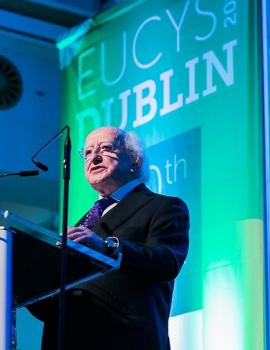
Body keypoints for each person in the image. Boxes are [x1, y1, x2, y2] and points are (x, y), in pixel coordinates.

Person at [29, 126, 190, 350]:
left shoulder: (163, 207)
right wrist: (28, 283)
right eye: (87, 153)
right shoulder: (83, 221)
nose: (93, 157)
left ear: (134, 159)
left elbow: (166, 262)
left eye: (105, 148)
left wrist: (108, 248)